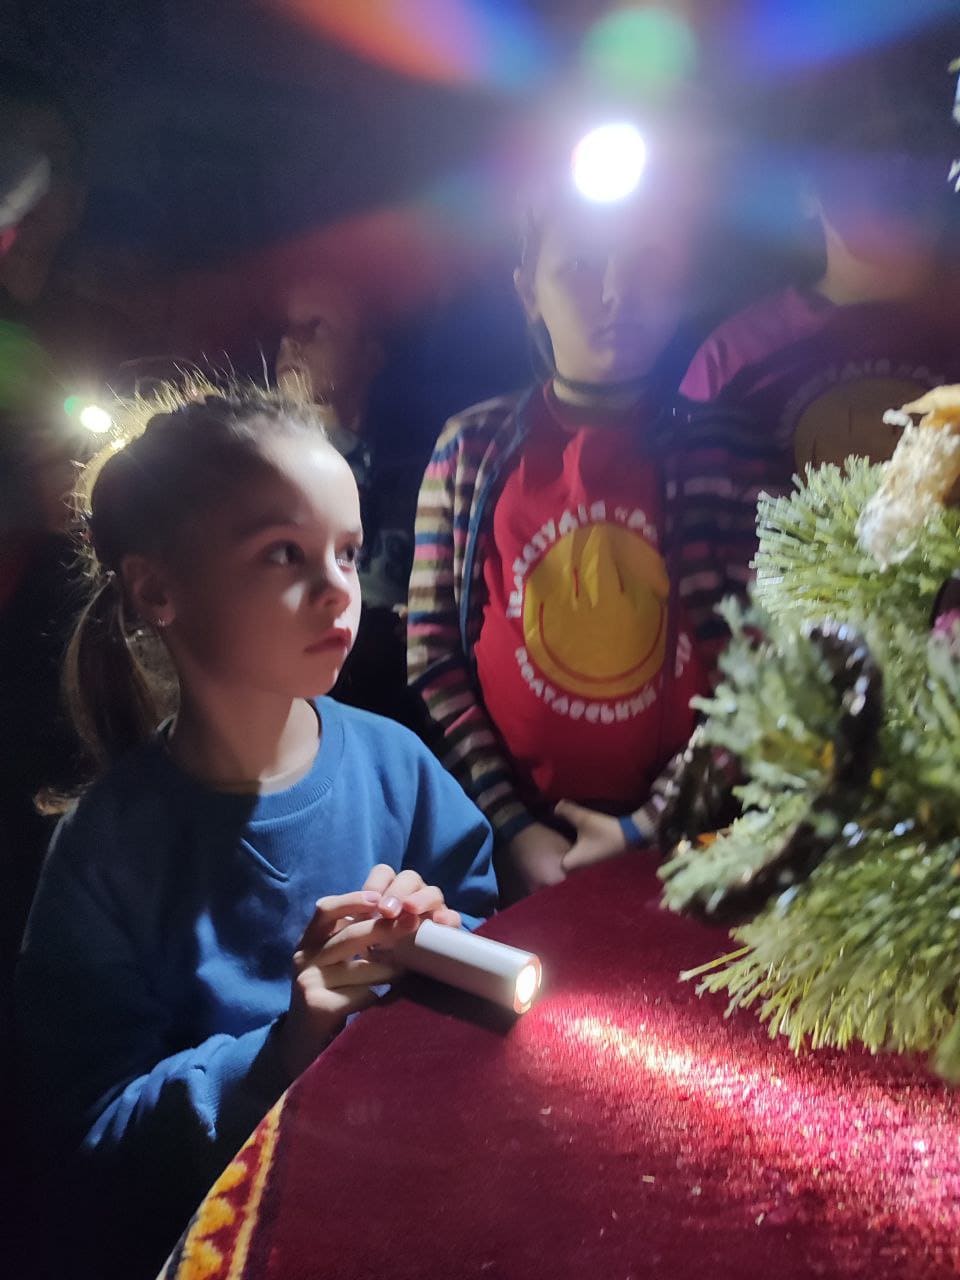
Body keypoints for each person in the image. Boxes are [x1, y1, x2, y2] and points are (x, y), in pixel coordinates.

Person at [16, 389, 496, 1279]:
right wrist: (285, 1046)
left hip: (410, 1195)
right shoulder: (105, 852)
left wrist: (442, 941)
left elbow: (488, 941)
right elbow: (86, 1142)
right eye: (284, 552)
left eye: (348, 551)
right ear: (158, 589)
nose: (340, 589)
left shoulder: (396, 765)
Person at [408, 122, 784, 900]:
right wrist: (512, 824)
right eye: (579, 265)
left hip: (695, 844)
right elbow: (433, 651)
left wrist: (649, 823)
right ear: (527, 291)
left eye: (647, 262)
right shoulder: (471, 448)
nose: (615, 291)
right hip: (517, 850)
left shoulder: (731, 452)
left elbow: (768, 660)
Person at [679, 97, 960, 471]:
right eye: (867, 149)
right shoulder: (735, 359)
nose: (900, 166)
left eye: (919, 143)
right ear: (808, 189)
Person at [276, 277, 417, 721]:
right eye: (288, 327)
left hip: (387, 706)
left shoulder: (415, 469)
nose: (290, 341)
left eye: (316, 326)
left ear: (370, 356)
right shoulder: (253, 469)